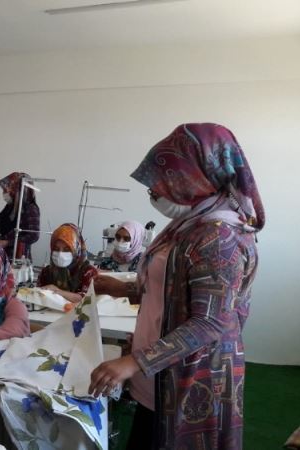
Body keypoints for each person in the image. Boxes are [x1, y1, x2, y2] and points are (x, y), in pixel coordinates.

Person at [89, 123, 263, 450]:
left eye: (163, 181)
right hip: (158, 369)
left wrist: (135, 362)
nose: (154, 192)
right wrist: (123, 288)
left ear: (198, 177)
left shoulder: (218, 237)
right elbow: (175, 289)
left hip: (188, 377)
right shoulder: (188, 225)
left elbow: (210, 321)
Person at [36, 223, 98, 304]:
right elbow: (36, 296)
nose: (60, 253)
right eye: (56, 249)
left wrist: (57, 291)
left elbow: (88, 299)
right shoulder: (46, 272)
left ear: (77, 249)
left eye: (66, 249)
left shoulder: (89, 272)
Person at [0, 172, 41, 260]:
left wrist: (8, 242)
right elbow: (2, 227)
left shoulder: (31, 209)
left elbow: (33, 235)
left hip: (17, 258)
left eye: (6, 190)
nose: (4, 193)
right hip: (2, 255)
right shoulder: (10, 207)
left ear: (17, 190)